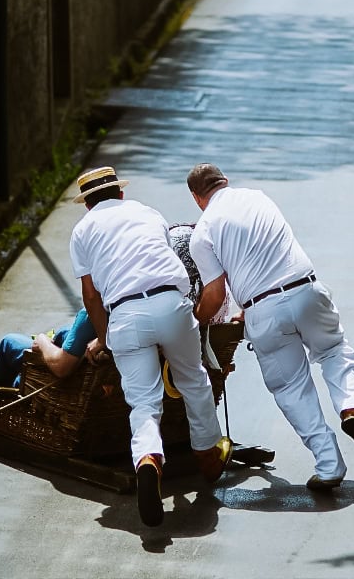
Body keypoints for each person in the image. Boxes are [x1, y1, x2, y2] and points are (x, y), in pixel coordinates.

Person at [185, 163, 354, 493]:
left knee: (292, 388)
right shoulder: (258, 198)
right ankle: (353, 408)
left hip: (262, 311)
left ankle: (329, 465)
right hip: (305, 289)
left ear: (197, 197)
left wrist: (196, 321)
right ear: (225, 182)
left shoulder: (203, 231)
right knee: (334, 351)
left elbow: (215, 293)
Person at [70, 166, 231, 527]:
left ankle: (147, 459)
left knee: (143, 402)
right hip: (171, 304)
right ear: (120, 194)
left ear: (87, 204)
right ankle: (207, 456)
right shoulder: (147, 213)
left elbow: (92, 296)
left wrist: (107, 338)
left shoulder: (82, 231)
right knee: (193, 379)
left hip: (125, 314)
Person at [0, 311, 98, 388]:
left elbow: (62, 366)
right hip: (72, 356)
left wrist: (42, 341)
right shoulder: (116, 314)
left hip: (57, 374)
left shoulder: (92, 313)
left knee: (8, 342)